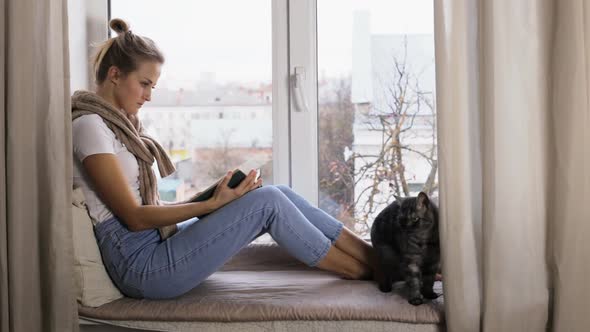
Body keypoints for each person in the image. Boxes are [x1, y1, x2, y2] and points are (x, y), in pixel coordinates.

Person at [72, 18, 375, 300]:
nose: (149, 95)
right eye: (145, 83)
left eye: (153, 86)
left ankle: (371, 256)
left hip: (155, 244)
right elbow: (135, 217)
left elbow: (148, 208)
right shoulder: (90, 126)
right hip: (141, 266)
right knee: (268, 201)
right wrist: (210, 206)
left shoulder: (120, 127)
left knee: (275, 192)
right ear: (115, 75)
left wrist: (214, 196)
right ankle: (362, 270)